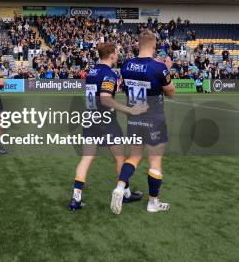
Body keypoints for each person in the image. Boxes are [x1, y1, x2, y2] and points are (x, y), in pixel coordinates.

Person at [69, 42, 147, 211]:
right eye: (117, 52)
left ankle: (76, 198)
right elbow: (105, 98)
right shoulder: (109, 74)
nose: (118, 55)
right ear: (111, 54)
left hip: (90, 118)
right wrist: (128, 110)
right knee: (120, 159)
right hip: (105, 121)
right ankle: (124, 193)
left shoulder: (92, 71)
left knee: (87, 158)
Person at [111, 30, 175, 214]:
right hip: (154, 118)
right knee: (155, 160)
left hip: (134, 118)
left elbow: (125, 88)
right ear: (154, 45)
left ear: (138, 44)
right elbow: (171, 93)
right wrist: (168, 70)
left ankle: (120, 187)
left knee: (134, 156)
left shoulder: (126, 65)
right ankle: (153, 202)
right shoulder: (158, 67)